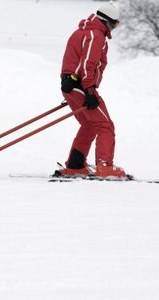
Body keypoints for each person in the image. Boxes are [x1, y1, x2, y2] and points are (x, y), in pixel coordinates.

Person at [58, 1, 127, 178]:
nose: (114, 28)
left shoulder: (81, 32)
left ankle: (75, 166)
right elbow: (88, 63)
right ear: (108, 21)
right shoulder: (96, 35)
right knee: (105, 126)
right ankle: (105, 167)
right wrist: (89, 91)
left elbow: (74, 61)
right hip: (81, 86)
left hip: (70, 85)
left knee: (89, 124)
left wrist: (72, 89)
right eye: (115, 23)